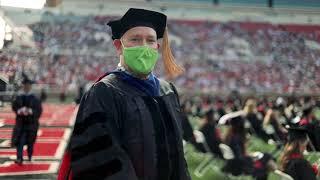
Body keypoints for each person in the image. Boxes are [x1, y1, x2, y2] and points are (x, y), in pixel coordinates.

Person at [58, 8, 190, 180]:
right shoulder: (104, 93)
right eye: (135, 39)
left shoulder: (168, 91)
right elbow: (99, 161)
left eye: (150, 41)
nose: (144, 46)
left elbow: (178, 156)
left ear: (157, 47)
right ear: (119, 46)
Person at [11, 77, 42, 165]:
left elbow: (39, 110)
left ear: (30, 86)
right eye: (25, 85)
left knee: (30, 142)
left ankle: (30, 156)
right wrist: (19, 111)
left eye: (28, 85)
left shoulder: (35, 97)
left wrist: (30, 111)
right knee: (20, 141)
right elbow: (14, 107)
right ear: (23, 86)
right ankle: (19, 158)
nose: (26, 87)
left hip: (31, 123)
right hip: (21, 123)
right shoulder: (18, 96)